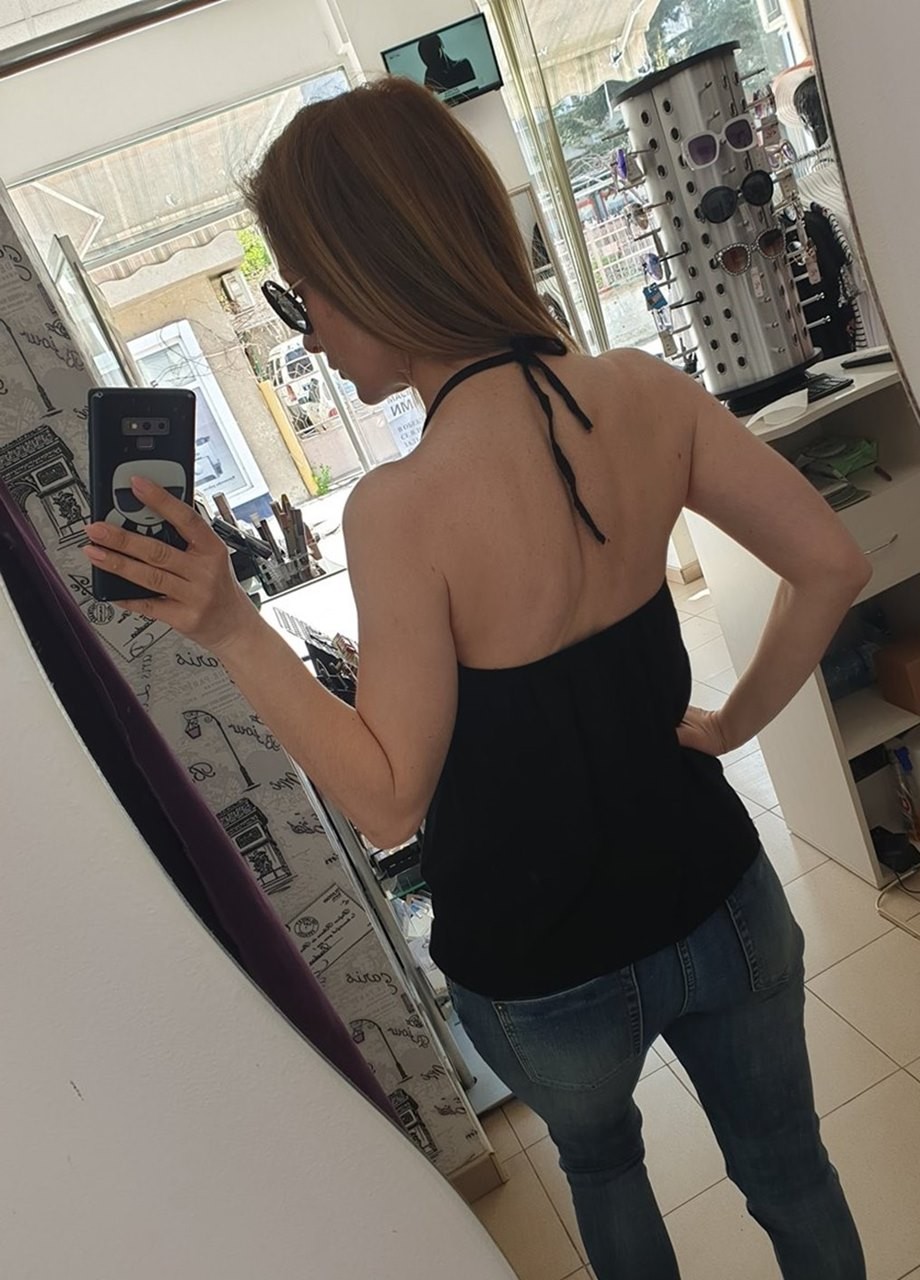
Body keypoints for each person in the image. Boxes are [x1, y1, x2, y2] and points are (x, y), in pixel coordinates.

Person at [83, 78, 869, 1280]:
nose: (308, 332)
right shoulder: (642, 390)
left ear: (375, 267)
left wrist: (235, 627)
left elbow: (388, 799)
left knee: (603, 1174)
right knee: (791, 1170)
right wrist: (728, 725)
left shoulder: (401, 508)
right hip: (719, 895)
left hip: (543, 966)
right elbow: (828, 563)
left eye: (301, 292)